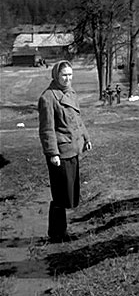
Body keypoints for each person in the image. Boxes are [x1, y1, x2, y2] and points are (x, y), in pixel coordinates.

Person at [38, 60, 92, 243]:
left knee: (68, 193)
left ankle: (62, 231)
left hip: (73, 149)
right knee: (60, 194)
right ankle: (56, 233)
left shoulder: (71, 92)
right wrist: (53, 153)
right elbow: (47, 129)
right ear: (56, 75)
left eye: (70, 74)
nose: (68, 78)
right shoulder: (48, 97)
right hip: (60, 153)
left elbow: (77, 119)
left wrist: (86, 138)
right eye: (64, 75)